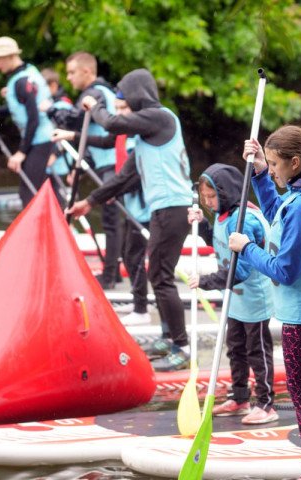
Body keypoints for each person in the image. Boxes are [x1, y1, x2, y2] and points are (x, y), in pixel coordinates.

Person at [228, 125, 301, 480]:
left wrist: (246, 249)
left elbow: (284, 271)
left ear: (295, 163)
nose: (274, 170)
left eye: (276, 165)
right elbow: (280, 211)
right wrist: (262, 174)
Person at [65, 69, 193, 371]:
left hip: (174, 206)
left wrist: (92, 105)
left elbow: (111, 123)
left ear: (138, 93)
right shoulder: (148, 137)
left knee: (161, 276)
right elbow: (124, 179)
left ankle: (182, 347)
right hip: (163, 208)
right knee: (156, 274)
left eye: (125, 94)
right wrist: (89, 201)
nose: (123, 101)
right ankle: (166, 336)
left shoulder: (160, 117)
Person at [54, 92, 152, 326]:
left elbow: (135, 176)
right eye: (116, 108)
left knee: (135, 255)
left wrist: (112, 192)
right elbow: (106, 141)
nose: (119, 113)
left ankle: (142, 311)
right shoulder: (122, 133)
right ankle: (139, 303)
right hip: (127, 200)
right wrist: (72, 135)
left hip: (142, 203)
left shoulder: (138, 137)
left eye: (123, 108)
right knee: (129, 253)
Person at [189, 163, 277, 425]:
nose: (208, 202)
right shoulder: (222, 215)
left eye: (212, 196)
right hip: (234, 297)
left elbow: (243, 270)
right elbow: (217, 241)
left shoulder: (244, 220)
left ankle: (266, 403)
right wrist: (202, 224)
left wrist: (206, 281)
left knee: (257, 351)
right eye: (204, 197)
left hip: (253, 296)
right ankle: (240, 398)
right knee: (235, 347)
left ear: (226, 192)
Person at [45, 52, 121, 290]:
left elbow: (73, 122)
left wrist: (49, 109)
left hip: (114, 164)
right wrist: (80, 166)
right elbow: (93, 134)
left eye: (72, 72)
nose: (68, 78)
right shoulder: (104, 91)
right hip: (107, 162)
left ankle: (110, 277)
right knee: (113, 221)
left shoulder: (93, 94)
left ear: (87, 72)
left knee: (111, 222)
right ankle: (114, 272)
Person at [0, 36, 53, 207]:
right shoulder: (27, 72)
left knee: (28, 193)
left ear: (10, 56)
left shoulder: (21, 82)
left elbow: (33, 119)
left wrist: (21, 153)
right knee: (32, 190)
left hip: (40, 140)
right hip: (39, 139)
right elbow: (20, 109)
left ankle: (37, 233)